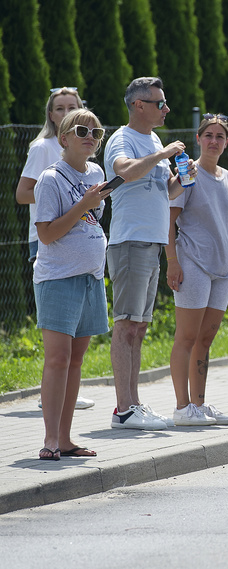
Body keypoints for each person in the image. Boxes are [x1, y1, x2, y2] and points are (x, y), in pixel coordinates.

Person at [105, 77, 192, 430]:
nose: (166, 109)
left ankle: (134, 405)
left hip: (151, 242)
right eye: (160, 103)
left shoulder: (154, 139)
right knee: (126, 324)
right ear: (138, 105)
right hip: (130, 241)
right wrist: (163, 154)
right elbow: (125, 172)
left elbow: (163, 190)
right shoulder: (122, 139)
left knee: (139, 328)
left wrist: (184, 178)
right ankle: (123, 409)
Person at [165, 114, 228, 426]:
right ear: (198, 139)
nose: (214, 141)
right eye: (208, 135)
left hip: (223, 270)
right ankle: (182, 408)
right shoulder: (189, 174)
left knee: (205, 339)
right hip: (193, 264)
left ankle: (199, 404)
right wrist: (173, 262)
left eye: (220, 136)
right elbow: (169, 219)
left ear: (226, 142)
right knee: (187, 336)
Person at [33, 109, 111, 459]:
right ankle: (50, 441)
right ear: (63, 137)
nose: (90, 136)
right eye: (82, 130)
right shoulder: (50, 178)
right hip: (58, 278)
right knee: (58, 359)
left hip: (91, 277)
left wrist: (89, 206)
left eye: (96, 131)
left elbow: (92, 221)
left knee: (76, 361)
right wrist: (84, 204)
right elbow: (47, 235)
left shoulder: (96, 171)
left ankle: (66, 439)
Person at [15, 87, 95, 411]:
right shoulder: (43, 147)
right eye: (59, 109)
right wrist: (61, 199)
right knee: (56, 331)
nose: (65, 113)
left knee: (74, 336)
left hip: (80, 240)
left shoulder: (88, 154)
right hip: (47, 235)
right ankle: (50, 391)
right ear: (52, 117)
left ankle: (64, 391)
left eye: (71, 107)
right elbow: (23, 193)